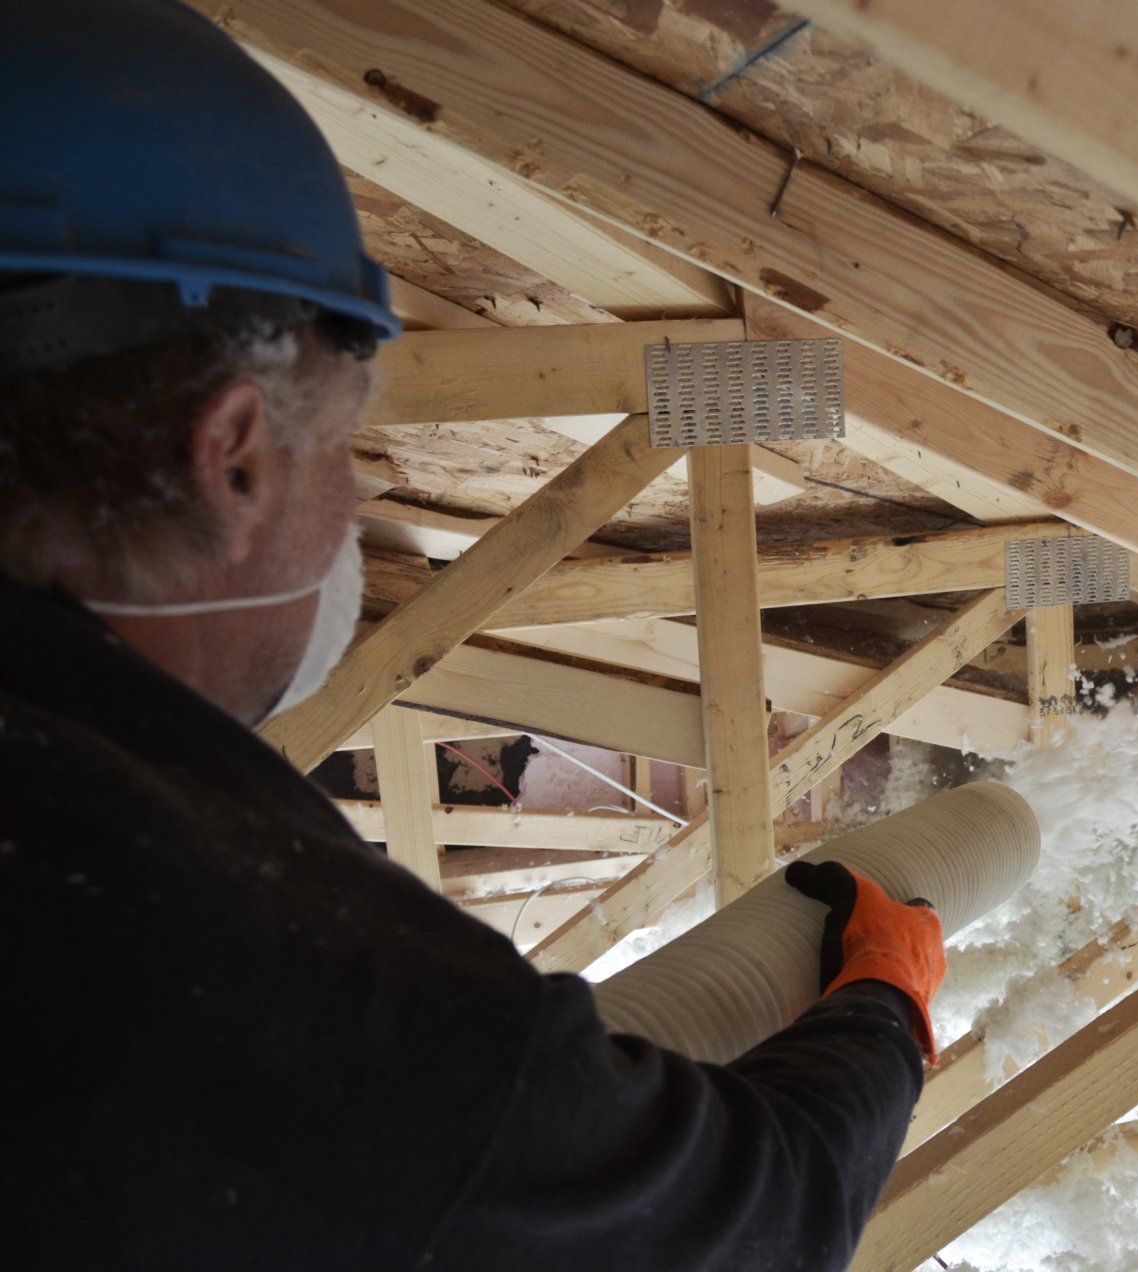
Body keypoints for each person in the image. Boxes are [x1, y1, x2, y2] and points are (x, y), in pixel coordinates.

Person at [0, 2, 946, 1268]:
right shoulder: (224, 965)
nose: (358, 497)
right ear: (228, 458)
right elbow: (752, 1223)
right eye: (339, 446)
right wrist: (886, 1009)